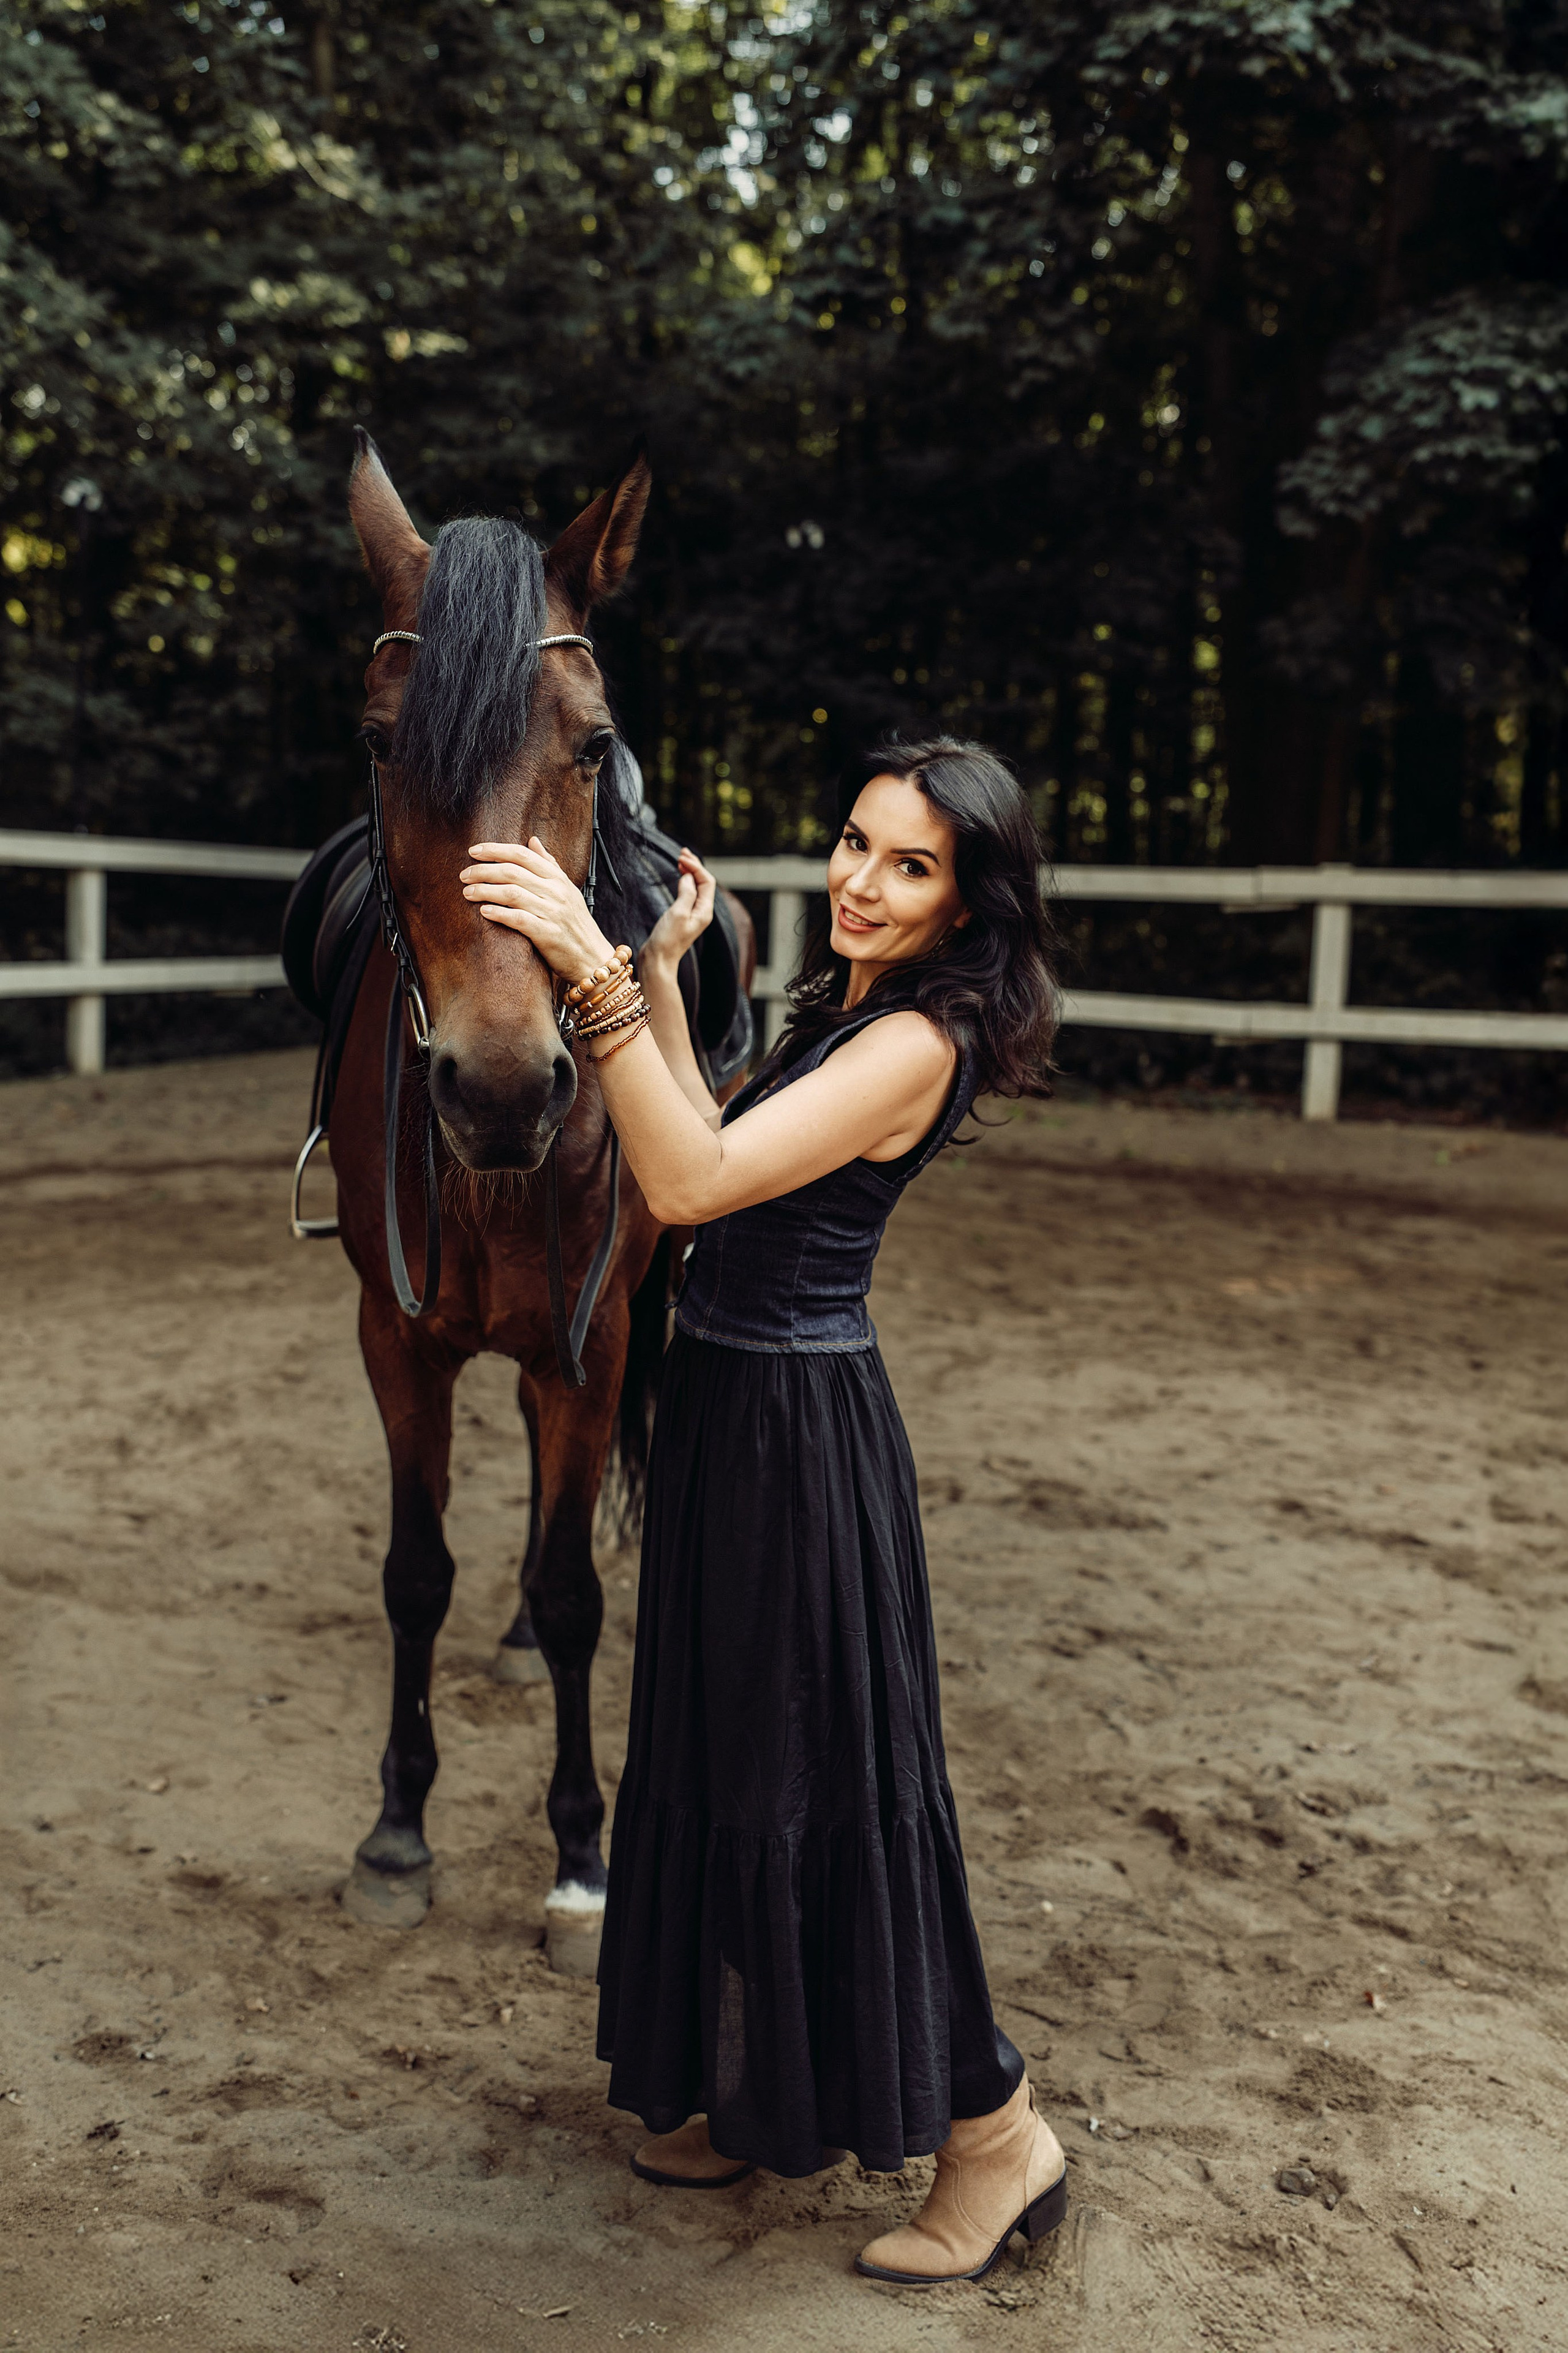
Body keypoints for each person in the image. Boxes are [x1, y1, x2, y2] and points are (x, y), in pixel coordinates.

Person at [459, 736, 1066, 2285]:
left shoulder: (920, 1041)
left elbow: (689, 1179)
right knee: (727, 1756)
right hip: (729, 1414)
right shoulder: (846, 1006)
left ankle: (995, 2137)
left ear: (966, 901)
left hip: (803, 1438)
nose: (861, 882)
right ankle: (737, 2089)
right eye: (854, 844)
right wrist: (659, 975)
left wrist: (589, 967)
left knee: (832, 1783)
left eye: (909, 865)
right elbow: (704, 1118)